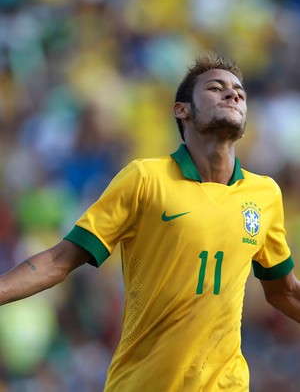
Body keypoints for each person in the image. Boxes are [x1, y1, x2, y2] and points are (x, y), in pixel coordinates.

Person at [1, 52, 300, 392]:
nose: (232, 94)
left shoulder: (265, 194)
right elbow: (58, 261)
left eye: (239, 92)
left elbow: (284, 291)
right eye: (216, 88)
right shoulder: (145, 178)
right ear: (182, 110)